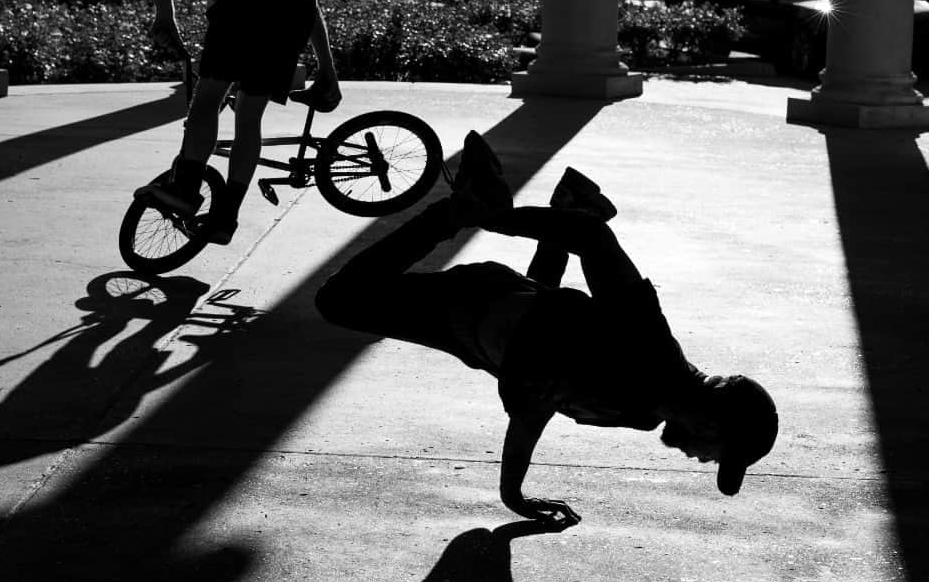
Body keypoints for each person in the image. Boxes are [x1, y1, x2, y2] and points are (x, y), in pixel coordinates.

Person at [315, 132, 778, 527]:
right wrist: (491, 219)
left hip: (495, 332)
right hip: (473, 308)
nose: (704, 461)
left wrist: (514, 492)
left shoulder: (645, 412)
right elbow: (594, 244)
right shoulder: (650, 347)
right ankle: (458, 212)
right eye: (717, 453)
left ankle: (572, 205)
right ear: (712, 420)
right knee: (339, 301)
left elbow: (549, 376)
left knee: (552, 318)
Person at [136, 0, 341, 243]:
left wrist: (165, 17)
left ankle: (184, 191)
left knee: (208, 99)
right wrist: (328, 70)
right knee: (250, 117)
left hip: (244, 5)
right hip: (292, 12)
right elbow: (307, 0)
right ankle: (225, 218)